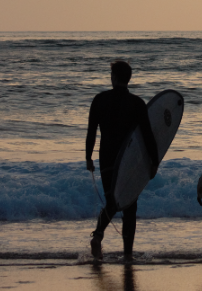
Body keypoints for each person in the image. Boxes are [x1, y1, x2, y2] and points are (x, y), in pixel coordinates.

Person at [86, 59, 159, 261]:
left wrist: (88, 157)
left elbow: (91, 132)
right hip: (128, 158)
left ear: (114, 77)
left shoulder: (99, 100)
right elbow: (147, 135)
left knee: (112, 199)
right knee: (129, 205)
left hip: (107, 157)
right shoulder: (137, 103)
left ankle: (98, 234)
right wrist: (154, 161)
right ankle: (127, 254)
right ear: (128, 78)